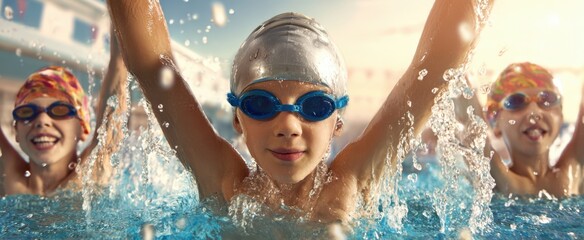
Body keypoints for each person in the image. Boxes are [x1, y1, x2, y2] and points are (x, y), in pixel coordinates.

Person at [107, 0, 492, 224]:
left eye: (313, 106)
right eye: (261, 105)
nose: (288, 126)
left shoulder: (352, 182)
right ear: (238, 119)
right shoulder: (225, 183)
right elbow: (154, 68)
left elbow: (439, 61)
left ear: (337, 120)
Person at [0, 31, 128, 196]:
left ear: (82, 127)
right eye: (27, 112)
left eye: (59, 110)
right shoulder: (9, 180)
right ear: (16, 130)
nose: (42, 120)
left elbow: (119, 62)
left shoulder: (91, 176)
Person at [468, 62, 584, 196]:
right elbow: (467, 119)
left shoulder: (575, 173)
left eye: (547, 99)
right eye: (516, 102)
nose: (534, 112)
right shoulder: (493, 179)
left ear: (560, 114)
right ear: (495, 120)